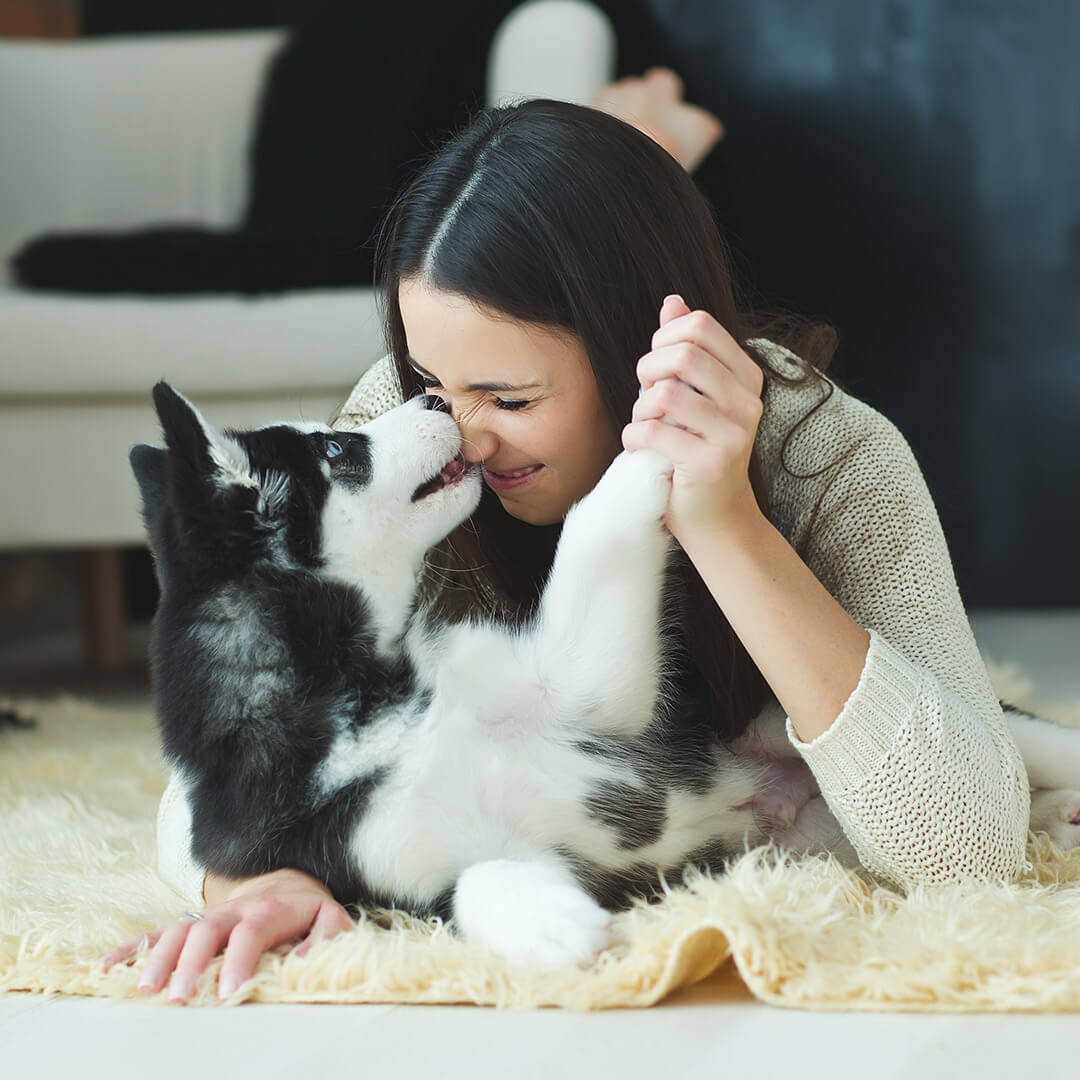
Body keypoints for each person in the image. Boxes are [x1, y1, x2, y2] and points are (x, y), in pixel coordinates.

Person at [104, 72, 1030, 1004]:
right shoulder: (407, 433)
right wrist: (265, 876)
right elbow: (223, 767)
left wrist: (720, 517)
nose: (460, 432)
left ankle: (650, 134)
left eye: (509, 400)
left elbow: (968, 845)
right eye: (429, 376)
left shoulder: (828, 453)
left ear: (637, 356)